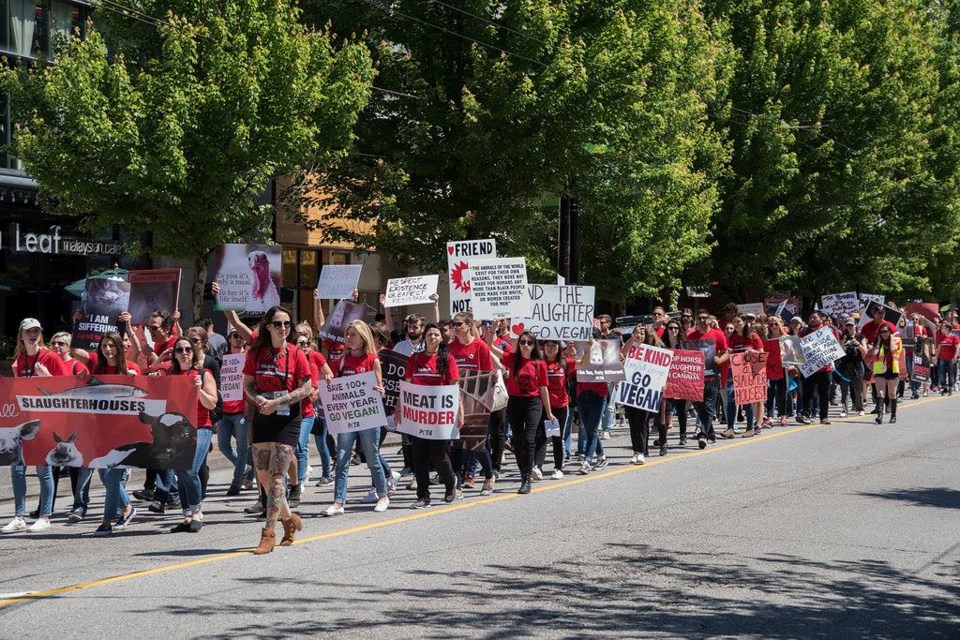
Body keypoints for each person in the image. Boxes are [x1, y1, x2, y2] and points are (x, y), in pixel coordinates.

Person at [243, 306, 313, 554]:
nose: (283, 328)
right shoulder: (256, 353)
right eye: (278, 324)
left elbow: (306, 389)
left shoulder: (296, 354)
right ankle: (289, 520)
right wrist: (258, 400)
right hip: (263, 416)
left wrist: (278, 403)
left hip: (287, 418)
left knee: (276, 477)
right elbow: (248, 384)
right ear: (269, 327)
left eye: (287, 324)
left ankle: (268, 533)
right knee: (262, 476)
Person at [2, 318, 68, 534]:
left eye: (37, 331)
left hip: (47, 420)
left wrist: (46, 376)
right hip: (24, 419)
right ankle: (19, 516)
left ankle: (45, 516)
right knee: (17, 468)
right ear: (21, 335)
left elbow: (67, 387)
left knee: (44, 469)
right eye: (29, 331)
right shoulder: (20, 360)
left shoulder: (50, 356)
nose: (33, 335)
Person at [321, 320, 390, 516]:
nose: (349, 338)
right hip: (346, 417)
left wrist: (380, 390)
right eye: (347, 334)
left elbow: (381, 388)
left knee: (372, 457)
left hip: (368, 417)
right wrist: (328, 381)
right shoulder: (340, 361)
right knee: (342, 458)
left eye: (353, 335)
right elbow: (333, 383)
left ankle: (383, 495)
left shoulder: (372, 360)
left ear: (362, 337)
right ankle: (338, 502)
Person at [397, 323, 460, 508]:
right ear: (424, 337)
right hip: (417, 417)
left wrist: (460, 412)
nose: (432, 337)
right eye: (430, 334)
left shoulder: (447, 359)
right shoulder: (415, 359)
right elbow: (406, 385)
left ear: (441, 338)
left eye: (436, 334)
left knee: (439, 455)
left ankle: (450, 485)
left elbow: (455, 388)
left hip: (439, 418)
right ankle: (423, 496)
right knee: (419, 457)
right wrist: (400, 408)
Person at [89, 331, 141, 535]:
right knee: (105, 476)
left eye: (112, 345)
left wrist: (136, 380)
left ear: (119, 347)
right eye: (104, 346)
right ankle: (128, 508)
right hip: (103, 431)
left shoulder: (132, 369)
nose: (108, 349)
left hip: (125, 432)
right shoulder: (99, 370)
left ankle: (106, 521)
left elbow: (144, 398)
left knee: (113, 477)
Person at [168, 336, 218, 533]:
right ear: (175, 354)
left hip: (201, 427)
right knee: (180, 472)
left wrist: (198, 389)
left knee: (190, 470)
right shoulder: (171, 377)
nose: (184, 353)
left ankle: (197, 512)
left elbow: (212, 404)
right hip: (178, 430)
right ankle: (187, 515)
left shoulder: (203, 373)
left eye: (188, 349)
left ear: (194, 351)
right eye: (179, 350)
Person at [499, 331, 553, 494]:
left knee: (530, 439)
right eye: (523, 342)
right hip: (515, 402)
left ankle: (526, 478)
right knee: (518, 440)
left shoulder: (539, 363)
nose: (526, 346)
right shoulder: (512, 359)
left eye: (530, 343)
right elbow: (490, 348)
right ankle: (523, 470)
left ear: (534, 345)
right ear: (519, 343)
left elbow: (543, 388)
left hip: (533, 402)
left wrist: (549, 412)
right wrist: (492, 331)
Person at [686, 310, 729, 449]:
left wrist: (720, 359)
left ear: (710, 320)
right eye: (700, 318)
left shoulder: (717, 334)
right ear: (696, 321)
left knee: (709, 406)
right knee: (699, 406)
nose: (703, 321)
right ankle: (711, 433)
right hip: (696, 378)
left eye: (705, 318)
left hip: (712, 376)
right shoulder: (691, 336)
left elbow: (728, 352)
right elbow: (686, 355)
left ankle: (703, 434)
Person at [218, 327, 254, 496]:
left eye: (241, 336)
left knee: (242, 448)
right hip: (225, 411)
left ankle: (236, 482)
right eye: (235, 336)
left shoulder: (248, 359)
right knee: (223, 446)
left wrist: (245, 380)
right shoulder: (223, 359)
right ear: (229, 338)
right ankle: (246, 467)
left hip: (241, 411)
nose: (238, 339)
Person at [621, 325, 663, 463]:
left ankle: (640, 452)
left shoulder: (653, 352)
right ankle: (638, 450)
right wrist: (633, 338)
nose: (640, 335)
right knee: (633, 422)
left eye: (642, 333)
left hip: (646, 391)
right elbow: (622, 353)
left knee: (642, 421)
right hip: (630, 391)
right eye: (638, 333)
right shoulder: (631, 348)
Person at [538, 340, 575, 478]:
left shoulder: (565, 363)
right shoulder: (539, 363)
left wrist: (588, 349)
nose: (550, 348)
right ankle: (537, 467)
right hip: (542, 406)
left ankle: (558, 468)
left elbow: (584, 363)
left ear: (559, 348)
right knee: (541, 436)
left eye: (553, 345)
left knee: (556, 438)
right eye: (547, 345)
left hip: (560, 406)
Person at [725, 315, 764, 438]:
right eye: (734, 322)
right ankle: (730, 428)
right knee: (731, 398)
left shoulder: (753, 336)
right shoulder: (732, 337)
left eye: (738, 322)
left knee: (747, 399)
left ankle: (749, 428)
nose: (736, 324)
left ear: (744, 323)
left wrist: (752, 352)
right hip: (734, 372)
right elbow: (727, 351)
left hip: (749, 373)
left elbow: (762, 353)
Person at [798, 312, 838, 425]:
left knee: (824, 393)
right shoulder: (804, 331)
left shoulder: (828, 330)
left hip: (825, 368)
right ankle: (806, 414)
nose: (812, 319)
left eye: (814, 317)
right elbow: (799, 348)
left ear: (821, 319)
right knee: (807, 391)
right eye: (810, 317)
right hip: (810, 367)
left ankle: (824, 416)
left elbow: (834, 346)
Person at [658, 319, 688, 448]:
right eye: (670, 328)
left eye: (676, 328)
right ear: (667, 330)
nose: (673, 330)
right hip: (666, 383)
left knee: (682, 410)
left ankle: (683, 435)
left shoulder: (684, 345)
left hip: (680, 382)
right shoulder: (662, 345)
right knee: (666, 411)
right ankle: (662, 439)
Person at [871, 326, 903, 424]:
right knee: (880, 393)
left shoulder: (897, 340)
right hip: (880, 371)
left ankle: (893, 415)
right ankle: (879, 416)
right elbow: (874, 353)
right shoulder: (878, 342)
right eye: (881, 332)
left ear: (890, 332)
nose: (884, 333)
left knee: (892, 394)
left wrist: (892, 338)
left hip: (892, 370)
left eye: (886, 331)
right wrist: (878, 341)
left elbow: (894, 349)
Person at [837, 319, 867, 417]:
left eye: (851, 325)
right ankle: (844, 410)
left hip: (857, 365)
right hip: (846, 365)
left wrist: (857, 343)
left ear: (855, 326)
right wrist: (843, 341)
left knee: (858, 389)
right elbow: (838, 351)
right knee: (844, 388)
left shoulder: (860, 337)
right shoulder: (843, 336)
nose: (849, 328)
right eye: (848, 326)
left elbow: (864, 351)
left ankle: (860, 408)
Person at [934, 320, 960, 395]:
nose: (941, 329)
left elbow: (957, 348)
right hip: (942, 358)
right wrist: (936, 357)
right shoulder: (940, 337)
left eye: (942, 328)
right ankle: (944, 387)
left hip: (951, 358)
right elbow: (938, 349)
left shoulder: (954, 337)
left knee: (951, 374)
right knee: (941, 374)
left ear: (947, 328)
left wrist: (955, 357)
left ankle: (951, 388)